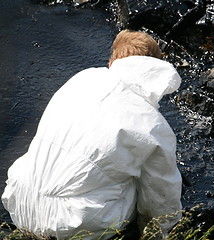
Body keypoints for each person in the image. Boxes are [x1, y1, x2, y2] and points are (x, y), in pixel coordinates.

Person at [2, 30, 183, 239]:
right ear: (155, 70)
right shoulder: (153, 124)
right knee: (145, 182)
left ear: (112, 62)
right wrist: (157, 232)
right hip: (72, 223)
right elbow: (161, 197)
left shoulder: (81, 79)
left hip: (21, 202)